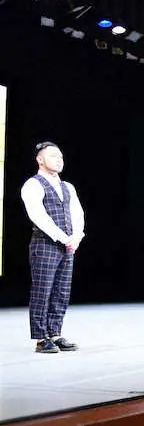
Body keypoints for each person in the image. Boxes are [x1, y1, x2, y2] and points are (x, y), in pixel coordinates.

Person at [21, 142, 84, 353]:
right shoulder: (33, 184)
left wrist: (76, 237)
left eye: (61, 156)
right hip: (45, 243)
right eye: (53, 156)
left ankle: (55, 333)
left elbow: (77, 213)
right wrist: (62, 237)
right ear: (40, 159)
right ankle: (41, 338)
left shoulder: (68, 187)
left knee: (61, 291)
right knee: (42, 290)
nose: (59, 159)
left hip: (68, 245)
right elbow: (38, 216)